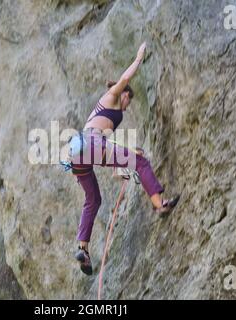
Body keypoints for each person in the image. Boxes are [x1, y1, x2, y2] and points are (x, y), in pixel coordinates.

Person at [70, 42, 179, 275]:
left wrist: (127, 157)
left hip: (78, 151)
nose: (128, 106)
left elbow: (111, 156)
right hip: (90, 143)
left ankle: (83, 250)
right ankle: (159, 204)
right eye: (129, 100)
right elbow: (124, 78)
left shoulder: (110, 117)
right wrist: (138, 58)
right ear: (125, 94)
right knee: (141, 163)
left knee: (93, 198)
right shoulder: (112, 96)